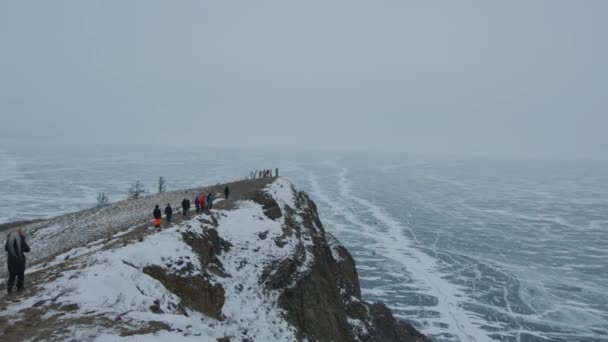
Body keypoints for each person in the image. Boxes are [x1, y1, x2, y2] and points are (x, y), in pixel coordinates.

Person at [5, 228, 31, 293]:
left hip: (11, 261)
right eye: (23, 232)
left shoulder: (9, 240)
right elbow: (27, 249)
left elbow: (6, 249)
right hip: (20, 260)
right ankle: (20, 288)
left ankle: (9, 290)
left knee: (11, 276)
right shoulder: (21, 239)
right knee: (20, 274)